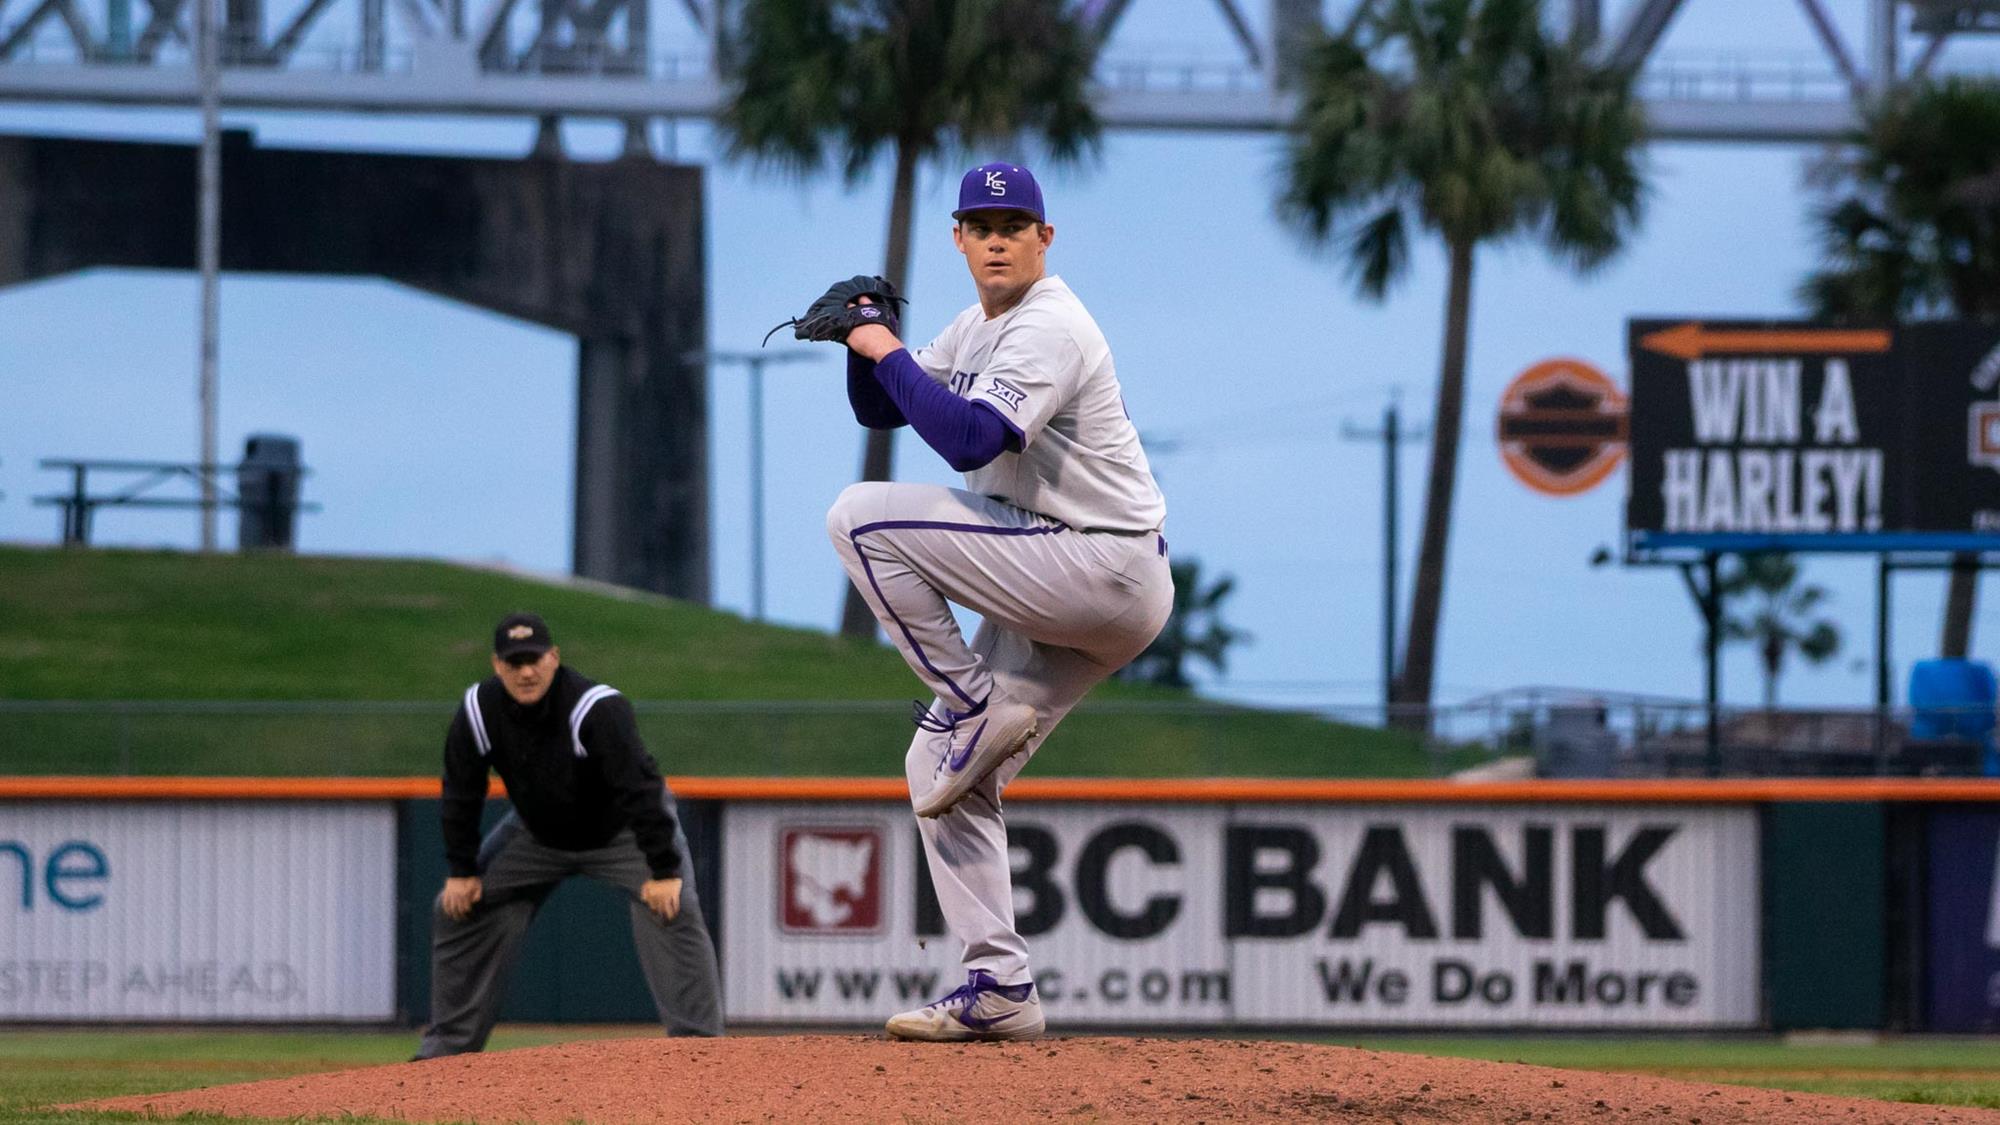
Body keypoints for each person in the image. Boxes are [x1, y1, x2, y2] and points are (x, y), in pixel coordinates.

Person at [818, 162, 1174, 1041]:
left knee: (861, 518)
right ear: (959, 239)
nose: (999, 237)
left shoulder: (1051, 323)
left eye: (1015, 223)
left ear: (1045, 239)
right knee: (937, 767)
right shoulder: (976, 326)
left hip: (1101, 562)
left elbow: (971, 435)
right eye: (982, 224)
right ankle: (1000, 984)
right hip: (1066, 580)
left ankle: (974, 701)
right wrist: (866, 342)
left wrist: (881, 347)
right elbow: (888, 409)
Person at [411, 612, 723, 1059]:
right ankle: (446, 1053)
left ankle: (702, 1054)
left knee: (674, 906)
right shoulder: (480, 710)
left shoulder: (594, 705)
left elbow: (640, 786)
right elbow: (461, 790)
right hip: (537, 833)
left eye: (534, 659)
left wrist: (664, 869)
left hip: (623, 830)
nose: (526, 671)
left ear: (553, 657)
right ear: (497, 666)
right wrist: (462, 870)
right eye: (514, 662)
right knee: (458, 906)